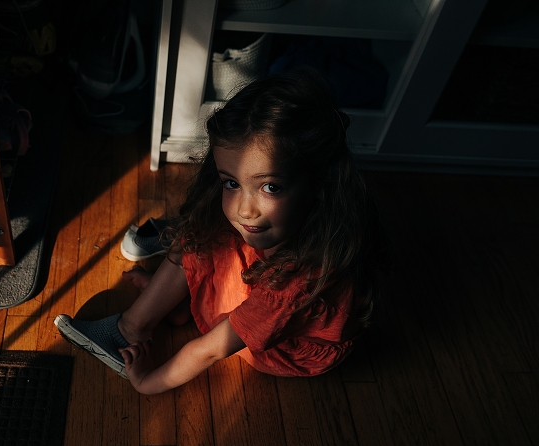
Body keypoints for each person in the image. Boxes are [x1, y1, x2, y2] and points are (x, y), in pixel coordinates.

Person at [54, 66, 388, 395]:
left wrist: (146, 382)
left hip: (285, 349)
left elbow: (209, 351)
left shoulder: (296, 282)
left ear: (318, 183)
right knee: (201, 232)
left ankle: (137, 324)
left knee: (203, 239)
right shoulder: (286, 221)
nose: (244, 209)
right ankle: (165, 311)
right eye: (231, 182)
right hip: (271, 298)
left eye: (270, 187)